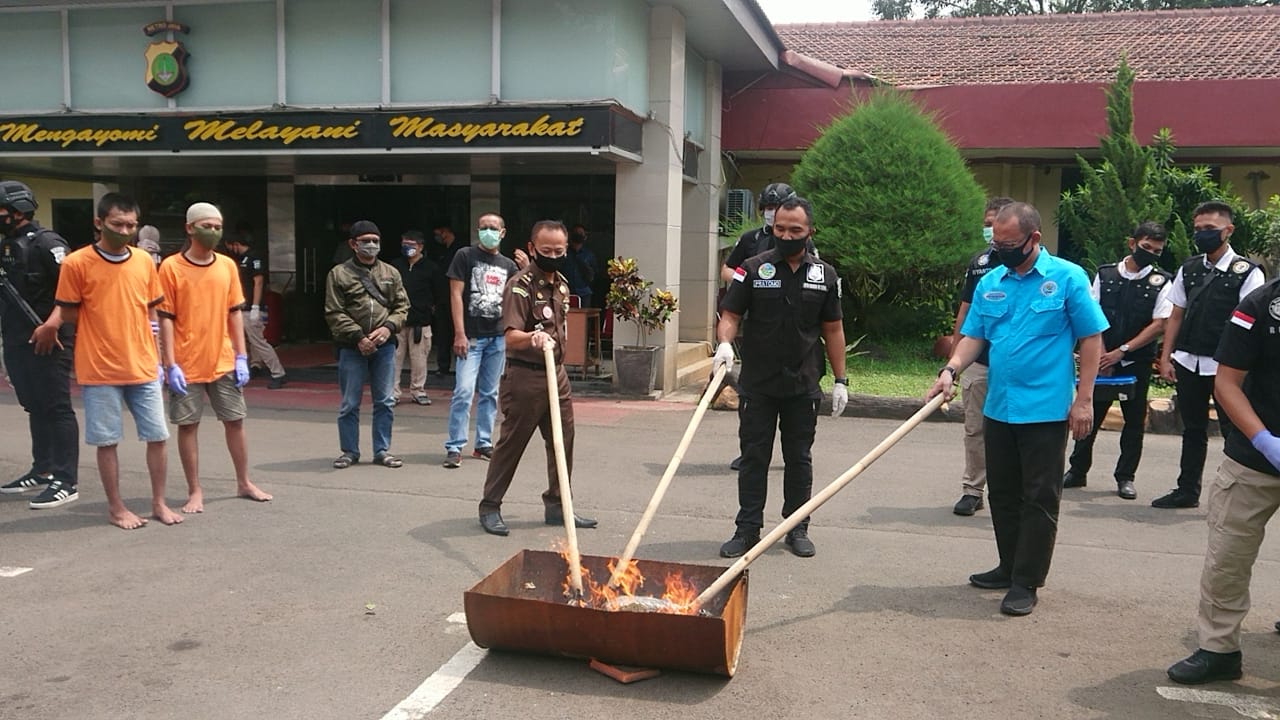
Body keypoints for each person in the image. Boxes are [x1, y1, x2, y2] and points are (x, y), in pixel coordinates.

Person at [926, 201, 1108, 616]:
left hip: (1044, 410)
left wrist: (1083, 400)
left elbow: (1092, 339)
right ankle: (1008, 566)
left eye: (1009, 244)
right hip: (1000, 406)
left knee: (1039, 496)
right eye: (996, 243)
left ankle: (1027, 581)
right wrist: (951, 368)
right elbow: (974, 336)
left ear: (1034, 239)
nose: (1001, 250)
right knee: (1004, 494)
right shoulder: (992, 280)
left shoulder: (1066, 277)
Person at [33, 193, 182, 529]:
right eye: (118, 224)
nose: (125, 230)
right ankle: (116, 508)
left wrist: (160, 358)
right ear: (99, 223)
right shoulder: (76, 263)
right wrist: (53, 323)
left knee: (158, 436)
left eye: (131, 225)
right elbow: (69, 310)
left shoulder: (144, 261)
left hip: (142, 364)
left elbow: (151, 307)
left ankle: (158, 502)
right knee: (107, 440)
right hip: (99, 368)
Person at [712, 196, 847, 559]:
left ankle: (797, 527)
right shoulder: (753, 269)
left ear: (809, 232)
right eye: (780, 229)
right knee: (754, 457)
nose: (786, 235)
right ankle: (747, 529)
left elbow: (832, 329)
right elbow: (730, 314)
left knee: (799, 458)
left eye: (795, 230)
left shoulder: (825, 275)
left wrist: (840, 379)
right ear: (773, 229)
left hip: (803, 384)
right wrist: (724, 343)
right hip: (758, 382)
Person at [1165, 277, 1280, 685]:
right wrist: (1265, 441)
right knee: (1227, 557)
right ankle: (1219, 649)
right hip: (1254, 457)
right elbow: (1227, 383)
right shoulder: (1262, 305)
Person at [477, 220, 596, 536]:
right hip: (525, 377)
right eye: (546, 251)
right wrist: (532, 338)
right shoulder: (520, 285)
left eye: (559, 250)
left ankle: (559, 506)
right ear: (532, 248)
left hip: (556, 375)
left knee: (562, 441)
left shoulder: (562, 284)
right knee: (512, 443)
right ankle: (490, 506)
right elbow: (509, 335)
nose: (554, 256)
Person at [158, 203, 272, 513]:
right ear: (189, 228)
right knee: (188, 425)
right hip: (186, 361)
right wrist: (169, 363)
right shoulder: (170, 267)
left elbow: (234, 312)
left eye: (217, 226)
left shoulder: (227, 265)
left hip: (222, 359)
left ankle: (244, 481)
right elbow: (165, 317)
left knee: (235, 421)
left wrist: (241, 356)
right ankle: (195, 490)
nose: (213, 231)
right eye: (206, 225)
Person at [1153, 201, 1266, 509]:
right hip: (1189, 361)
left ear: (1227, 231)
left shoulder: (1247, 272)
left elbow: (1250, 325)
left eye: (1210, 230)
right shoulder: (1189, 269)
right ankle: (1187, 490)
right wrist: (1166, 357)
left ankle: (1234, 495)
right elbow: (1175, 315)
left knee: (1234, 431)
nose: (1202, 235)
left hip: (1227, 367)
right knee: (1192, 429)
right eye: (1198, 229)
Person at [1062, 222, 1173, 500]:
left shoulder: (1162, 281)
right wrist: (1101, 355)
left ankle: (1125, 477)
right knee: (1090, 415)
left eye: (1157, 251)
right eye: (1146, 247)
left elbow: (1159, 324)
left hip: (1135, 361)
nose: (1151, 254)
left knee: (1134, 421)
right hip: (1101, 358)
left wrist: (1121, 351)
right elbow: (1091, 314)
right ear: (1132, 243)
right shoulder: (1105, 274)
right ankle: (1077, 470)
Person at [720, 182, 818, 471]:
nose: (771, 214)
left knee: (795, 406)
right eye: (767, 209)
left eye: (775, 208)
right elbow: (728, 269)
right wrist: (749, 280)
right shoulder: (750, 240)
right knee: (753, 398)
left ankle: (793, 455)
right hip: (757, 323)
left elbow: (816, 276)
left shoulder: (803, 240)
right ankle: (749, 451)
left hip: (794, 328)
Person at [0, 180, 80, 509]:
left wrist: (53, 324)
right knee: (34, 405)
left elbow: (74, 291)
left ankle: (66, 479)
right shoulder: (7, 244)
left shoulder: (48, 243)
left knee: (56, 407)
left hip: (50, 339)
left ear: (18, 211)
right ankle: (43, 468)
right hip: (16, 339)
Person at [324, 220, 410, 469]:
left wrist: (388, 328)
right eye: (365, 241)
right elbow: (334, 312)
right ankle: (349, 451)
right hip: (351, 347)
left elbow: (402, 306)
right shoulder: (339, 274)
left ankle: (382, 450)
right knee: (350, 402)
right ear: (353, 244)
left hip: (384, 346)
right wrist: (358, 337)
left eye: (375, 241)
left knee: (384, 401)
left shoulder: (390, 273)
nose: (371, 245)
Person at [950, 196, 1014, 516]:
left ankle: (1010, 492)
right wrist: (952, 363)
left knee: (1011, 431)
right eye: (987, 224)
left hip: (1015, 368)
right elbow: (966, 312)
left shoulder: (1034, 266)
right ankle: (973, 489)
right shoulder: (979, 264)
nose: (990, 231)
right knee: (974, 428)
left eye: (995, 225)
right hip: (979, 361)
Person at [444, 213, 520, 468]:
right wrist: (459, 333)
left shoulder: (508, 265)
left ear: (503, 233)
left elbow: (517, 298)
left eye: (493, 228)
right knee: (464, 391)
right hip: (471, 338)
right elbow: (455, 295)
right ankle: (455, 446)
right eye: (484, 227)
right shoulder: (464, 256)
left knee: (490, 393)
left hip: (497, 338)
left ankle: (483, 443)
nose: (488, 231)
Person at [223, 228, 287, 389]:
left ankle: (278, 373)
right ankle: (255, 365)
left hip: (251, 306)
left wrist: (256, 306)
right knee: (249, 340)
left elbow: (258, 282)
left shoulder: (253, 258)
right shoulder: (241, 259)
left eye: (231, 247)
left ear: (236, 244)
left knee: (258, 341)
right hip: (242, 306)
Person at [390, 230, 436, 406]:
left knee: (419, 359)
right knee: (394, 358)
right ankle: (393, 393)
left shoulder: (431, 268)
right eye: (404, 245)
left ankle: (418, 390)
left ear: (420, 247)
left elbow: (438, 294)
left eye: (411, 245)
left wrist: (429, 312)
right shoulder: (394, 266)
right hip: (397, 321)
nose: (407, 248)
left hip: (420, 322)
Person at [429, 225, 462, 376]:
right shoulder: (439, 250)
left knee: (459, 333)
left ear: (445, 231)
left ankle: (461, 366)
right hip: (442, 298)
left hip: (458, 298)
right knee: (442, 333)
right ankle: (443, 366)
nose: (437, 237)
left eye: (438, 233)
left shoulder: (460, 251)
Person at [562, 224, 597, 306]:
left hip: (584, 293)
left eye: (581, 233)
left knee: (583, 318)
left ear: (585, 237)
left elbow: (594, 275)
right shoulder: (564, 253)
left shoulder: (589, 255)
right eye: (576, 233)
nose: (578, 235)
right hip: (565, 292)